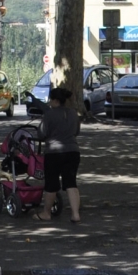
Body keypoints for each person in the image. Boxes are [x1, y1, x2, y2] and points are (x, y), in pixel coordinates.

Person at [35, 86, 81, 223]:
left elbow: (42, 133)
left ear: (55, 100)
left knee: (52, 184)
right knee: (71, 182)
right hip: (73, 151)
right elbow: (76, 132)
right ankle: (75, 214)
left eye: (50, 100)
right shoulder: (73, 113)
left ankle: (46, 213)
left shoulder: (49, 114)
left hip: (54, 152)